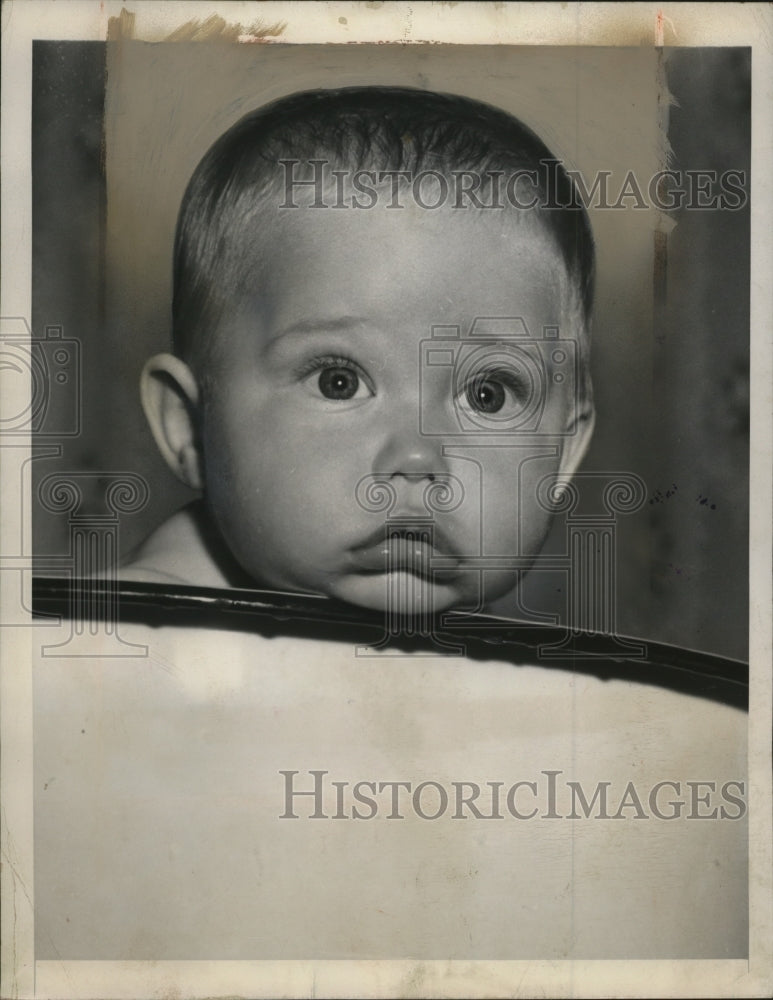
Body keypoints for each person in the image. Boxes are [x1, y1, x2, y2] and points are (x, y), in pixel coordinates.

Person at [120, 87, 596, 616]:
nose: (416, 458)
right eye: (338, 382)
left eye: (488, 395)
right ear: (190, 426)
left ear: (563, 451)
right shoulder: (136, 634)